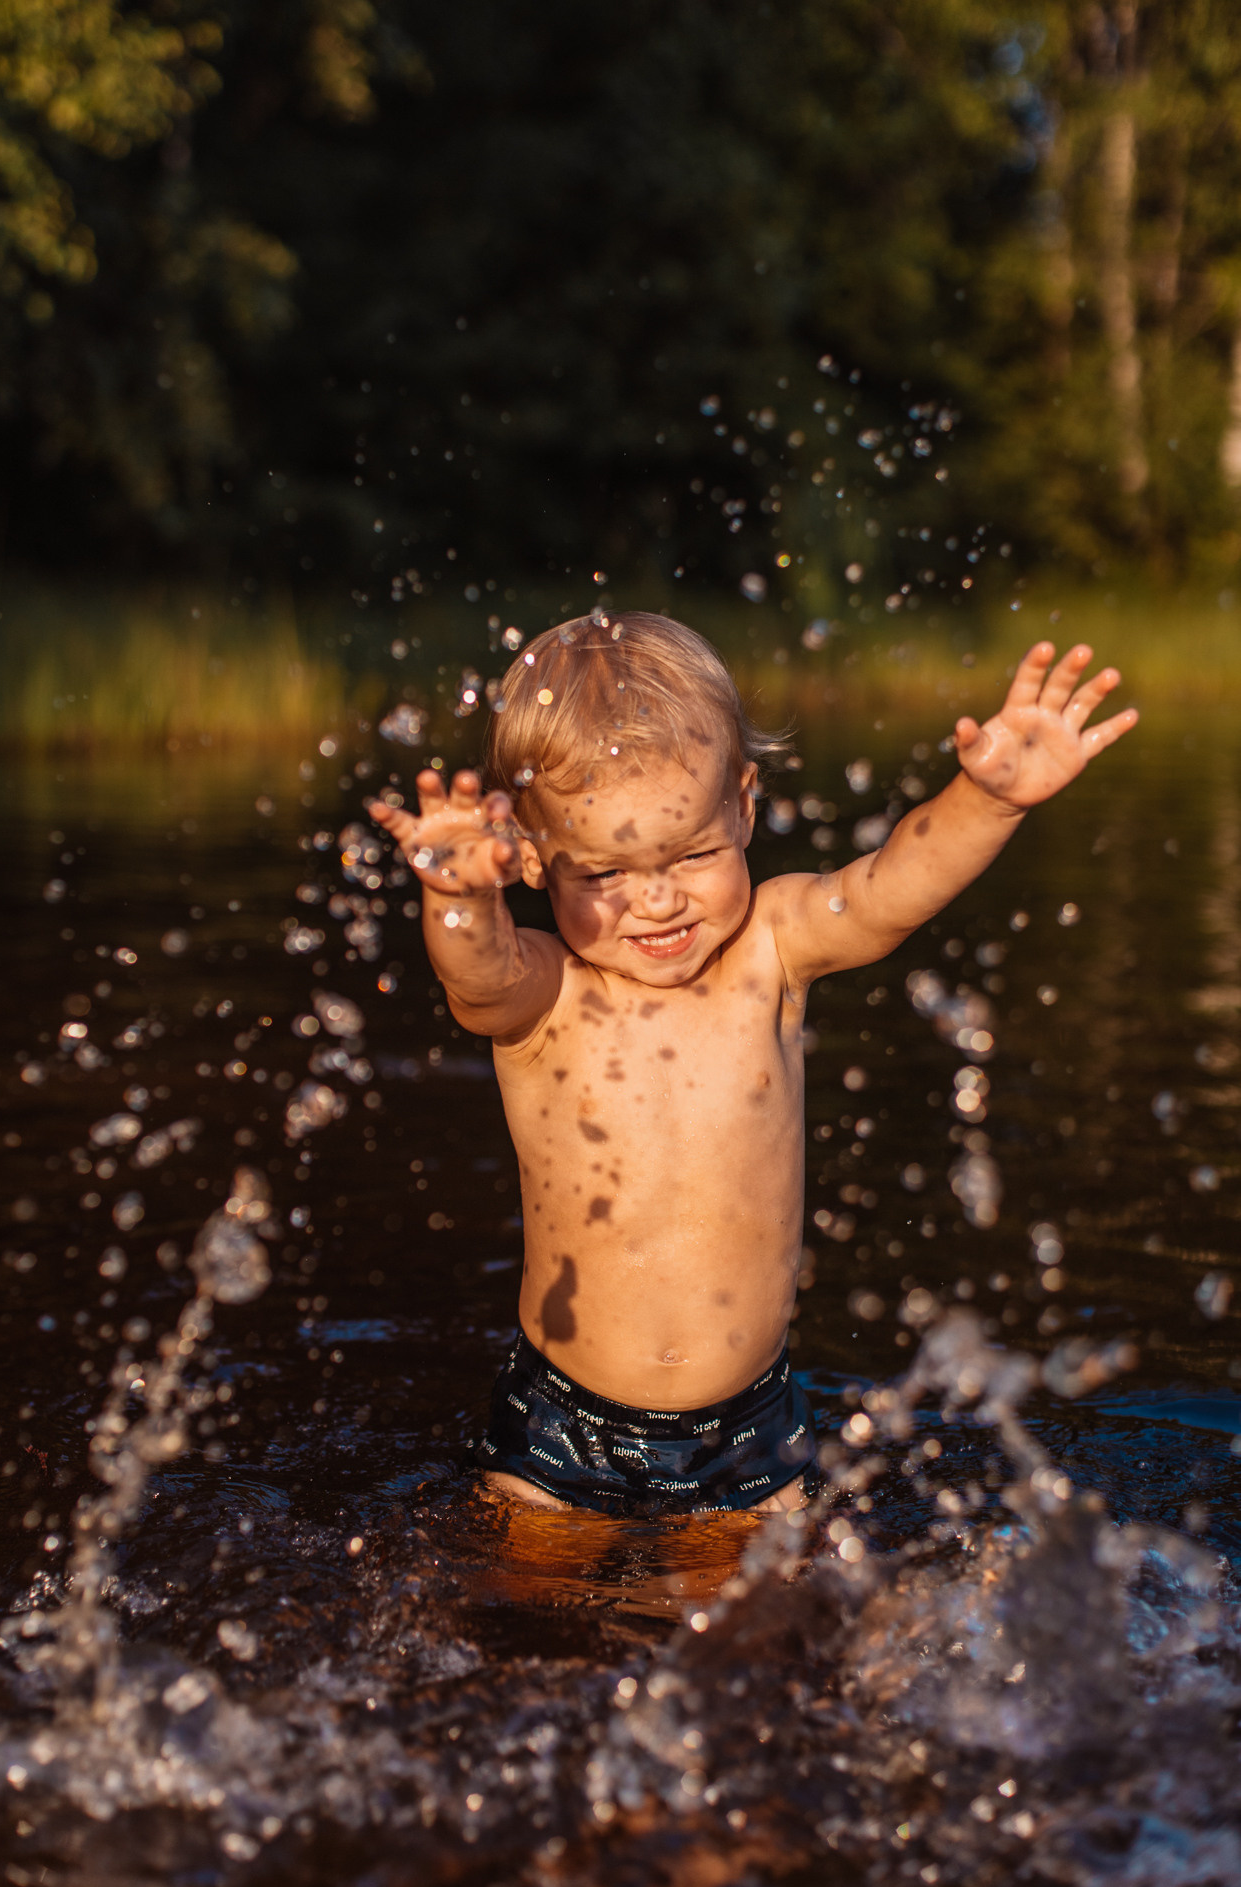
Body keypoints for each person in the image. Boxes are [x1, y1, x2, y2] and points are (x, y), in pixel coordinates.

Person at [366, 612, 1137, 1518]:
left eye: (692, 854)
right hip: (562, 1428)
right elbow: (477, 979)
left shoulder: (769, 948)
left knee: (766, 1606)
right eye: (605, 876)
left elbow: (885, 894)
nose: (657, 901)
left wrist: (988, 800)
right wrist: (456, 897)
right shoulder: (548, 990)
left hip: (748, 1431)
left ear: (742, 804)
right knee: (532, 1601)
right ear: (532, 858)